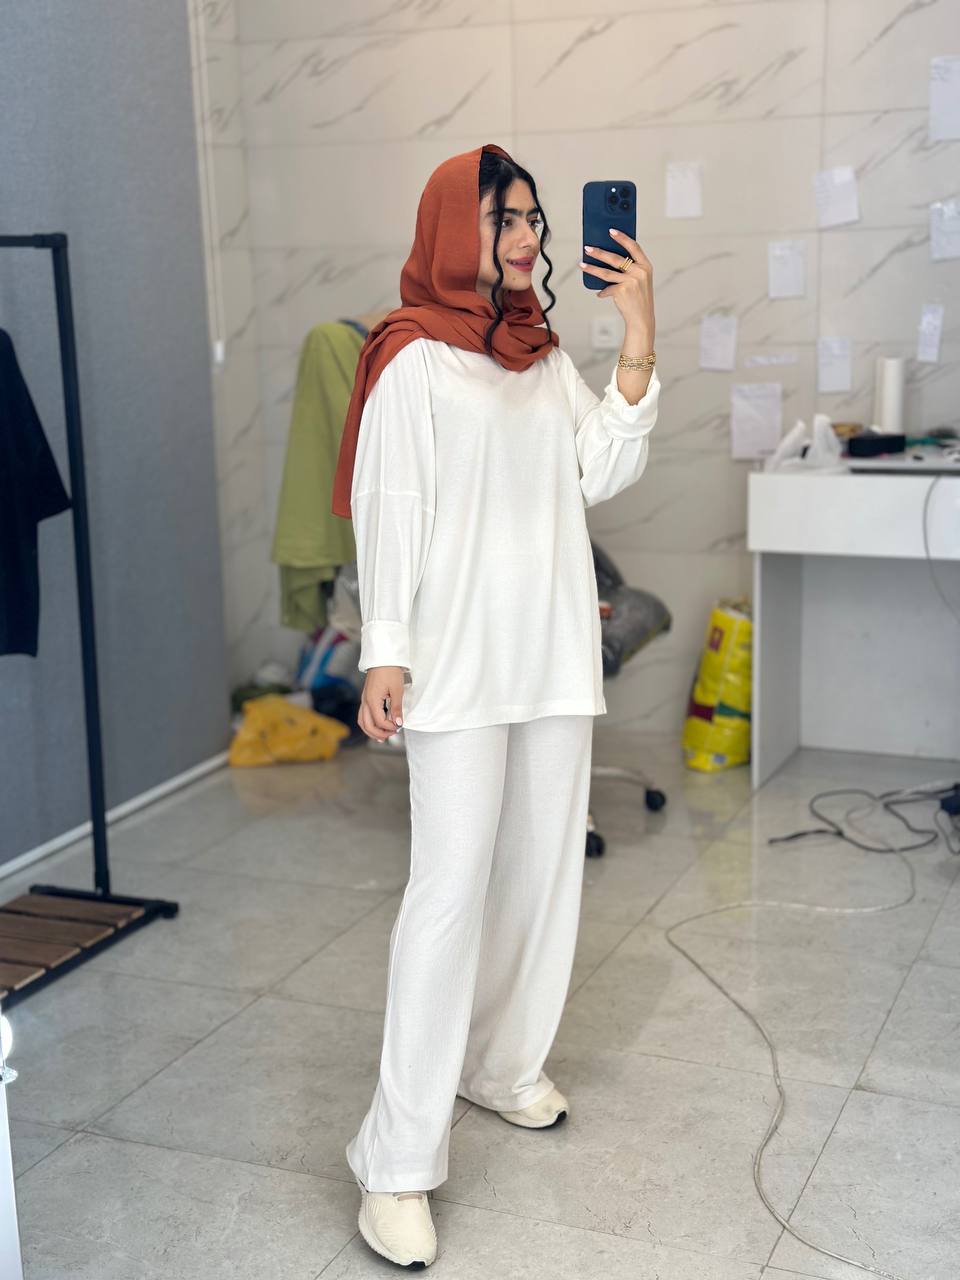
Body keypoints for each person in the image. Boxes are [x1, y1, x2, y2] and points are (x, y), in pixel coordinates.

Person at [331, 142, 659, 1269]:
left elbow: (600, 469)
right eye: (500, 218)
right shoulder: (411, 357)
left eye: (530, 218)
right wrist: (385, 650)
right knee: (447, 893)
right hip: (457, 664)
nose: (524, 237)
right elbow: (390, 504)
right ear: (450, 229)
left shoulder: (538, 351)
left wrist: (639, 333)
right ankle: (394, 1161)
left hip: (550, 654)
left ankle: (500, 1064)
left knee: (539, 873)